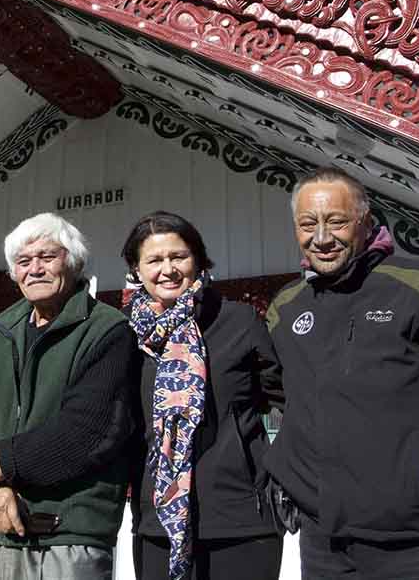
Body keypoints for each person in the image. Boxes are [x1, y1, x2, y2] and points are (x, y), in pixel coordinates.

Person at [262, 167, 419, 579]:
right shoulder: (287, 307)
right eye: (308, 224)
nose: (322, 238)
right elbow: (275, 398)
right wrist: (289, 476)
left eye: (337, 221)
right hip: (326, 545)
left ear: (366, 221)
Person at [0, 212, 139, 580]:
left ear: (74, 262)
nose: (35, 269)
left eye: (48, 257)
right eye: (23, 261)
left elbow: (88, 430)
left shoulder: (109, 331)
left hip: (62, 538)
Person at [122, 212, 284, 580]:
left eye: (178, 257)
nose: (168, 269)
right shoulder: (127, 336)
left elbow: (284, 399)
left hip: (240, 518)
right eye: (155, 260)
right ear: (136, 268)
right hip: (157, 521)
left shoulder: (239, 321)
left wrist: (273, 469)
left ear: (198, 259)